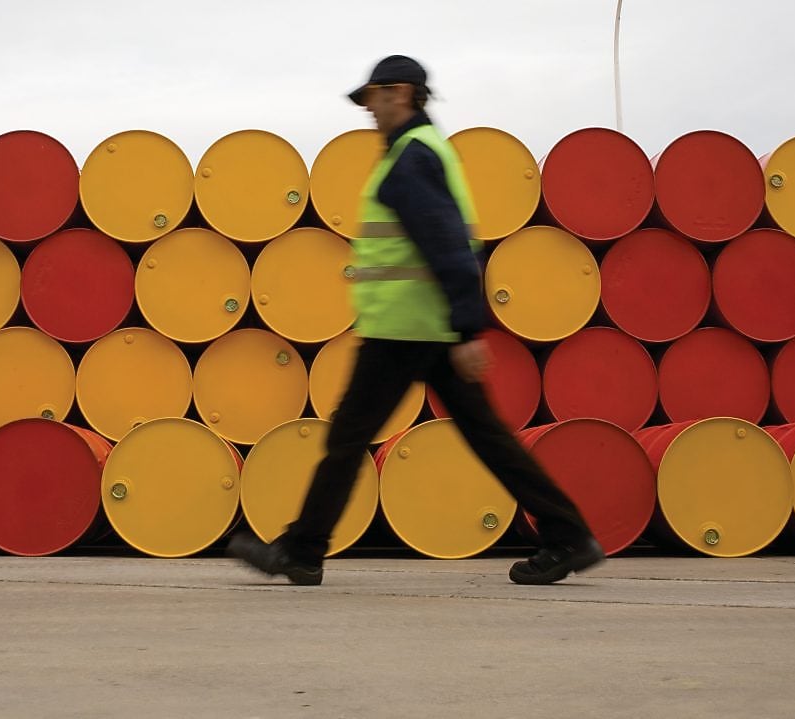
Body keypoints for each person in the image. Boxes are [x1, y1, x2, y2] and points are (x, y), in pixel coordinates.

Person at [228, 55, 604, 586]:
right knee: (481, 438)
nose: (369, 111)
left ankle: (303, 549)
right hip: (418, 330)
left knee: (349, 439)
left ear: (400, 94)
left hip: (407, 333)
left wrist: (467, 331)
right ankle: (569, 537)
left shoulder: (411, 159)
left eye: (374, 99)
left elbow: (449, 246)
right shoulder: (420, 152)